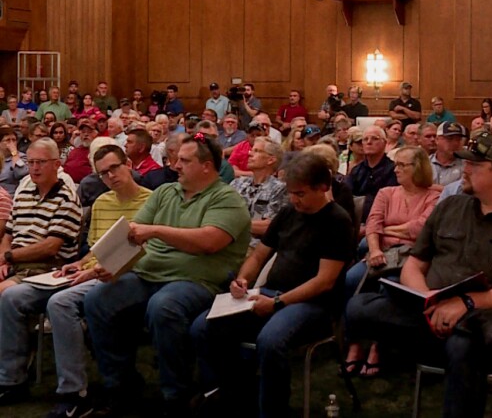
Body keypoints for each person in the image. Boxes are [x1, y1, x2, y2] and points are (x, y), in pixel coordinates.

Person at [345, 132, 492, 418]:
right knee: (358, 308)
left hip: (490, 321)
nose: (464, 169)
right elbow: (414, 265)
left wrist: (464, 303)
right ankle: (440, 330)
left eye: (474, 165)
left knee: (463, 342)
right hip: (429, 312)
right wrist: (428, 299)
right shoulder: (450, 206)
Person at [82, 134, 251, 415]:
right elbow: (133, 235)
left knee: (164, 307)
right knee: (98, 299)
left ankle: (176, 395)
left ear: (207, 166)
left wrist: (157, 231)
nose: (175, 166)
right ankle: (120, 387)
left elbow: (209, 242)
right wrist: (111, 265)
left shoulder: (228, 199)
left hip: (197, 281)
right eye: (176, 159)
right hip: (148, 275)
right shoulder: (165, 193)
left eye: (184, 160)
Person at [190, 152, 353, 417]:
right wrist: (243, 280)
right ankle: (229, 393)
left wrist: (277, 302)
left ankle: (272, 410)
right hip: (271, 293)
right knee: (202, 326)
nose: (294, 199)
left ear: (322, 187)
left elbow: (324, 282)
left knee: (270, 340)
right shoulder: (289, 212)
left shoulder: (337, 221)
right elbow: (258, 255)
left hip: (314, 304)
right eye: (291, 193)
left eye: (300, 194)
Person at [0, 144, 151, 416]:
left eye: (114, 168)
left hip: (121, 272)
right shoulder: (102, 202)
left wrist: (90, 270)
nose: (110, 176)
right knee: (11, 297)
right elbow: (95, 249)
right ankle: (12, 380)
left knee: (60, 303)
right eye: (103, 173)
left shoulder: (150, 201)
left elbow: (144, 250)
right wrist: (80, 264)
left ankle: (74, 392)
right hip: (83, 272)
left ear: (128, 165)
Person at [344, 146, 440, 376]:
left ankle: (377, 346)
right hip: (382, 252)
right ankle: (354, 343)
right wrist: (375, 249)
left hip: (412, 257)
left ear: (417, 168)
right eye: (396, 164)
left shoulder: (434, 196)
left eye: (401, 165)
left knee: (391, 286)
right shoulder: (386, 193)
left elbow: (421, 229)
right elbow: (373, 224)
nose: (395, 169)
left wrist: (387, 229)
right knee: (351, 279)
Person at [0, 139, 82, 295]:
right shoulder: (23, 194)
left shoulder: (66, 198)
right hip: (14, 264)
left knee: (7, 294)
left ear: (56, 164)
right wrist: (4, 261)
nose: (35, 168)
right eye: (30, 162)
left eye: (41, 162)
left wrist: (9, 256)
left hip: (45, 269)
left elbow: (50, 247)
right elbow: (8, 236)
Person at [230, 137, 288, 250]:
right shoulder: (237, 183)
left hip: (255, 247)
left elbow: (269, 226)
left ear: (270, 160)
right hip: (226, 241)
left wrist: (228, 224)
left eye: (256, 151)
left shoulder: (280, 189)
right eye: (251, 150)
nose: (250, 154)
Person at [345, 126, 398, 225]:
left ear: (385, 143)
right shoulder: (356, 170)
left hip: (383, 221)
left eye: (375, 138)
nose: (369, 142)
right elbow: (346, 196)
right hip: (356, 220)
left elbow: (391, 202)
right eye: (365, 139)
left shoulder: (394, 170)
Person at [0, 127, 27, 194]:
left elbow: (20, 173)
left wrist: (14, 153)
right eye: (8, 140)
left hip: (10, 194)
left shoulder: (22, 157)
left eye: (14, 140)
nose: (12, 143)